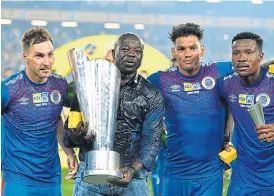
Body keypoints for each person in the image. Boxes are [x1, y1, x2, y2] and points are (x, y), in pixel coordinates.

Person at [63, 32, 165, 196]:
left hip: (132, 178)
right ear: (113, 52)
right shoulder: (89, 87)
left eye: (137, 51)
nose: (131, 54)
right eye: (125, 49)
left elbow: (152, 143)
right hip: (90, 175)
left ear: (142, 56)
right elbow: (68, 136)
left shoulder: (151, 95)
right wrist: (78, 136)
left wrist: (133, 170)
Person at [147, 23, 237, 196]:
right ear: (174, 52)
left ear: (202, 50)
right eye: (181, 49)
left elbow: (258, 75)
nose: (187, 54)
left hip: (210, 174)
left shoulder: (220, 71)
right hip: (175, 173)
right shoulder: (160, 80)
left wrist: (227, 135)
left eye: (192, 48)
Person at [1, 27, 77, 196]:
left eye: (50, 54)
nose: (47, 61)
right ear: (26, 58)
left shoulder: (60, 85)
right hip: (18, 179)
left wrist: (70, 152)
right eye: (39, 56)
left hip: (51, 178)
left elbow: (56, 120)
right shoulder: (9, 88)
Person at [218, 32, 274, 196]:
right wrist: (226, 138)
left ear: (260, 56)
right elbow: (223, 107)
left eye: (248, 52)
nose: (241, 58)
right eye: (236, 53)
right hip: (243, 178)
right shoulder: (227, 84)